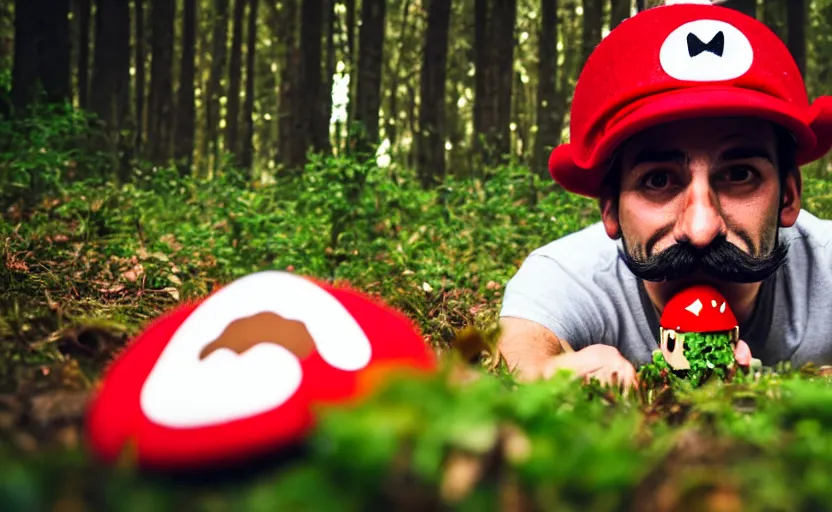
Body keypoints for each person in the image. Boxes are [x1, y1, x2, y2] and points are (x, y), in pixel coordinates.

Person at [497, 0, 832, 390]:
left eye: (740, 175)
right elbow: (517, 355)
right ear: (610, 208)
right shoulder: (567, 275)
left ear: (789, 197)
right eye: (658, 181)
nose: (701, 228)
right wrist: (551, 376)